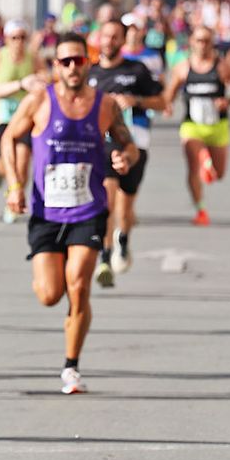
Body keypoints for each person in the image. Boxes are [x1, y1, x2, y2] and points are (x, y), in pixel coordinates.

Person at [1, 33, 138, 395]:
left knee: (79, 285)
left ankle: (71, 367)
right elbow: (9, 138)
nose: (73, 67)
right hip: (47, 211)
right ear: (55, 66)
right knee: (50, 294)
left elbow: (129, 144)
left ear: (88, 63)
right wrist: (14, 186)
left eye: (79, 60)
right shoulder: (38, 101)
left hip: (88, 209)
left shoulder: (105, 105)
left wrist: (126, 158)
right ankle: (47, 279)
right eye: (65, 62)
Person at [86, 20, 165, 285]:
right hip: (102, 143)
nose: (109, 41)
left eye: (115, 37)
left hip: (135, 141)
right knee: (106, 201)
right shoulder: (91, 73)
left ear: (122, 40)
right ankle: (105, 258)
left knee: (125, 207)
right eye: (105, 36)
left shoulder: (136, 70)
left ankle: (123, 238)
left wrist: (135, 100)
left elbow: (162, 101)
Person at [162, 26, 230, 226]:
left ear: (212, 43)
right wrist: (167, 106)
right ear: (191, 42)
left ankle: (206, 162)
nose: (202, 45)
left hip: (217, 125)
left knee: (220, 173)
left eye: (207, 41)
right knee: (192, 163)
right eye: (199, 40)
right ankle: (200, 210)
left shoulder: (221, 66)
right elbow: (170, 91)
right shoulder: (183, 67)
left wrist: (228, 101)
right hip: (192, 125)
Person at [0, 20, 39, 222]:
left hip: (25, 116)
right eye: (15, 38)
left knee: (22, 161)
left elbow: (46, 80)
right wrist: (17, 86)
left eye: (23, 37)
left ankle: (12, 199)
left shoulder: (33, 58)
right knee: (6, 162)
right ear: (6, 39)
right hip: (3, 116)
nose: (19, 42)